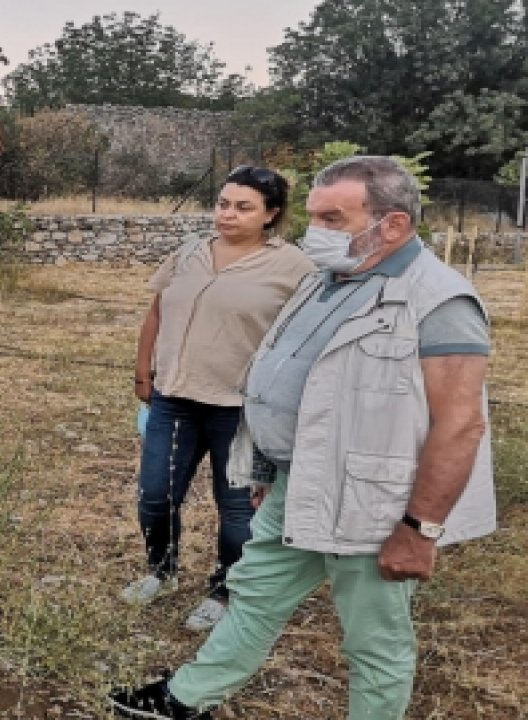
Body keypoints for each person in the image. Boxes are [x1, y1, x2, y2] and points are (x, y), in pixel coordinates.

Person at [110, 155, 497, 719]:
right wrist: (266, 468)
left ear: (392, 224)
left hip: (372, 503)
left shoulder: (439, 301)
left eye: (334, 219)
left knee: (374, 637)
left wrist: (420, 530)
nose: (315, 232)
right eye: (313, 216)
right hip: (297, 482)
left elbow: (461, 424)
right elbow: (283, 376)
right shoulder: (324, 281)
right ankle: (187, 699)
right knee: (255, 593)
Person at [126, 166, 315, 631]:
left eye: (244, 207)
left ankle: (224, 590)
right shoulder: (189, 252)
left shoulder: (295, 268)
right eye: (224, 203)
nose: (228, 214)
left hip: (241, 409)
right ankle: (162, 570)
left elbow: (302, 341)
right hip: (174, 397)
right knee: (155, 494)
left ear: (270, 214)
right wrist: (143, 367)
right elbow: (157, 311)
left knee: (235, 508)